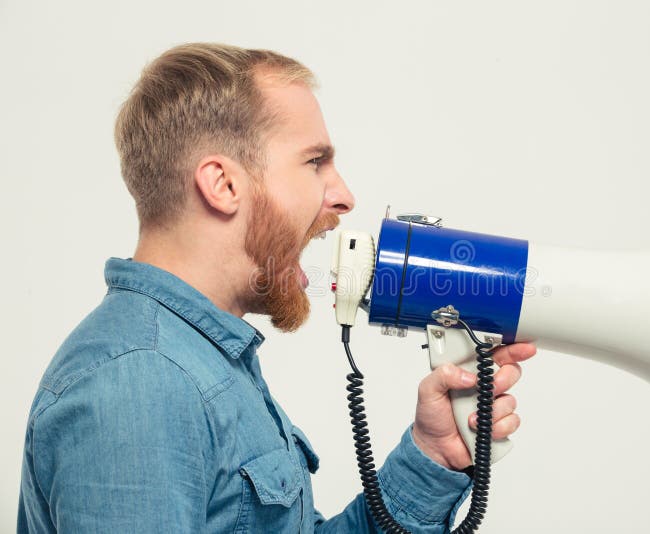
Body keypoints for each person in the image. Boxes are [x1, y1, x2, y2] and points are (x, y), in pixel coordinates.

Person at [17, 43, 536, 533]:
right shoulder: (142, 384)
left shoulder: (198, 362)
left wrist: (432, 454)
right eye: (315, 161)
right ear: (223, 185)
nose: (344, 196)